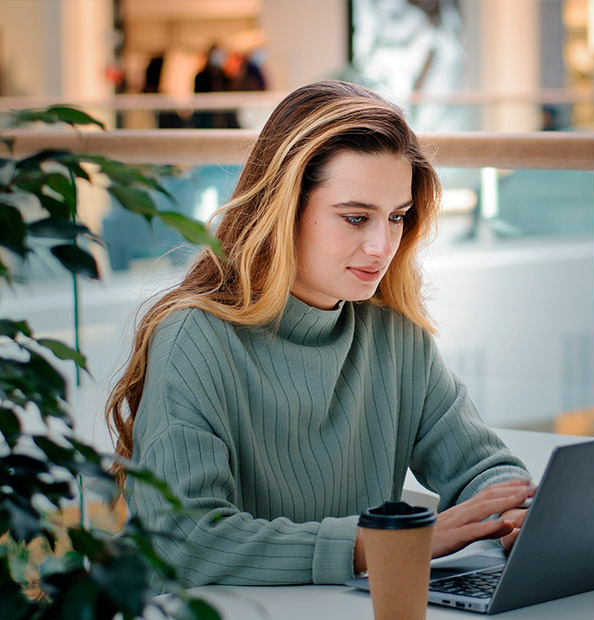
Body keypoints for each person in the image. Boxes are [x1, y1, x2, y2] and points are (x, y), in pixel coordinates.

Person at [106, 80, 533, 587]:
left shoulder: (392, 335)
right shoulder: (194, 340)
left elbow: (479, 466)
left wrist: (517, 516)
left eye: (396, 217)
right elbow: (187, 539)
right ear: (284, 211)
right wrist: (377, 546)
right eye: (355, 218)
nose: (381, 245)